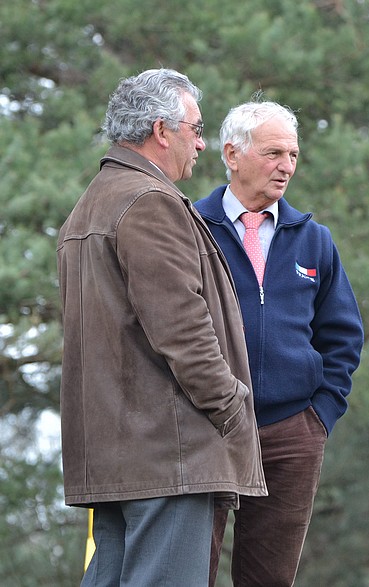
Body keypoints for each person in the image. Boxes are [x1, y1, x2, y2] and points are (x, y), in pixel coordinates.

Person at [56, 69, 266, 586]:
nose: (201, 143)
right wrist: (231, 406)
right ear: (160, 130)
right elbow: (182, 329)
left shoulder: (92, 204)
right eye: (195, 128)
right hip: (167, 454)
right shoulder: (149, 202)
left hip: (118, 454)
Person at [195, 100, 364, 586]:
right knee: (189, 572)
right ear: (232, 153)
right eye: (273, 153)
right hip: (208, 429)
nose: (286, 166)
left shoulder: (314, 239)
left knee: (268, 580)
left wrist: (319, 416)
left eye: (293, 154)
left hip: (292, 434)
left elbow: (343, 335)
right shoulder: (189, 228)